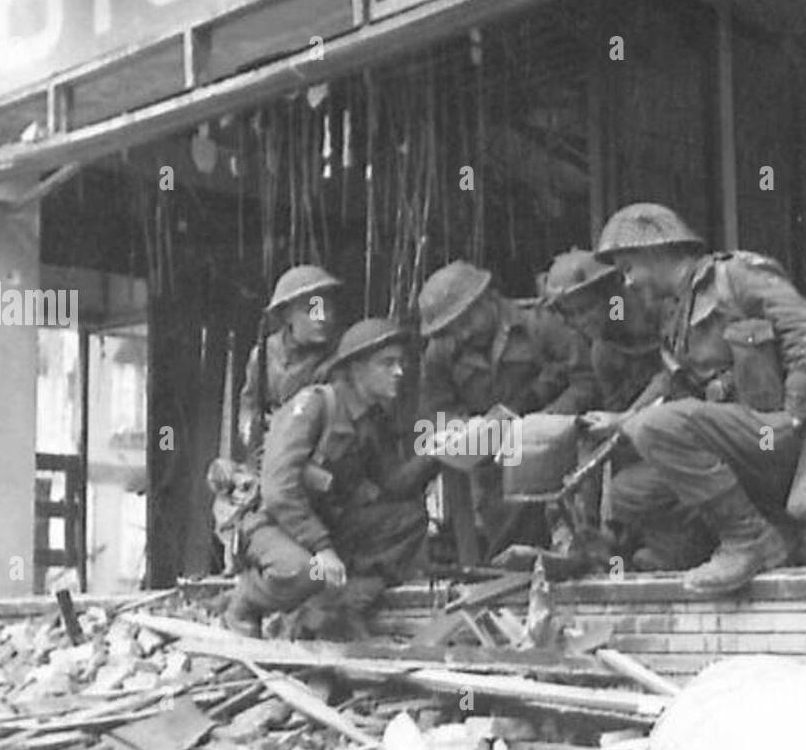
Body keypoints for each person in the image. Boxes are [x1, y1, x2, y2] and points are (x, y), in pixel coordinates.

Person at [585, 203, 806, 596]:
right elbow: (673, 383)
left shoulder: (735, 276)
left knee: (654, 428)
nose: (628, 283)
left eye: (628, 268)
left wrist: (795, 415)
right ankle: (701, 550)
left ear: (654, 251)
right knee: (628, 492)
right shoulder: (674, 315)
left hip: (776, 434)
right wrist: (623, 418)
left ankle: (750, 540)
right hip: (736, 443)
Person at [224, 318, 436, 638]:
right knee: (304, 572)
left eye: (400, 363)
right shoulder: (314, 406)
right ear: (356, 368)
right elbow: (278, 490)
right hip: (273, 524)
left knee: (408, 519)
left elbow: (393, 485)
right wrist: (322, 547)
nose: (400, 372)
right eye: (387, 363)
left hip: (328, 523)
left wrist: (436, 454)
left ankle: (335, 605)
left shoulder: (373, 419)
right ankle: (243, 604)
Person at [417, 261, 596, 422]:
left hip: (551, 434)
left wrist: (545, 419)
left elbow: (587, 380)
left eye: (467, 322)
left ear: (486, 299)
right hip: (483, 448)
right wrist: (464, 428)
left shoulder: (537, 323)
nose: (463, 334)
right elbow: (436, 409)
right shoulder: (440, 352)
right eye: (451, 331)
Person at [237, 264, 342, 459]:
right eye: (312, 309)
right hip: (272, 456)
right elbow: (250, 403)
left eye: (327, 309)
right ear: (287, 314)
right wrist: (250, 429)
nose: (322, 318)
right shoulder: (264, 355)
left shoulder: (340, 358)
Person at [543, 248, 663, 412]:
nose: (581, 320)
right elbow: (615, 407)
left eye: (587, 308)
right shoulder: (604, 351)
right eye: (571, 313)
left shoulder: (651, 310)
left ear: (609, 292)